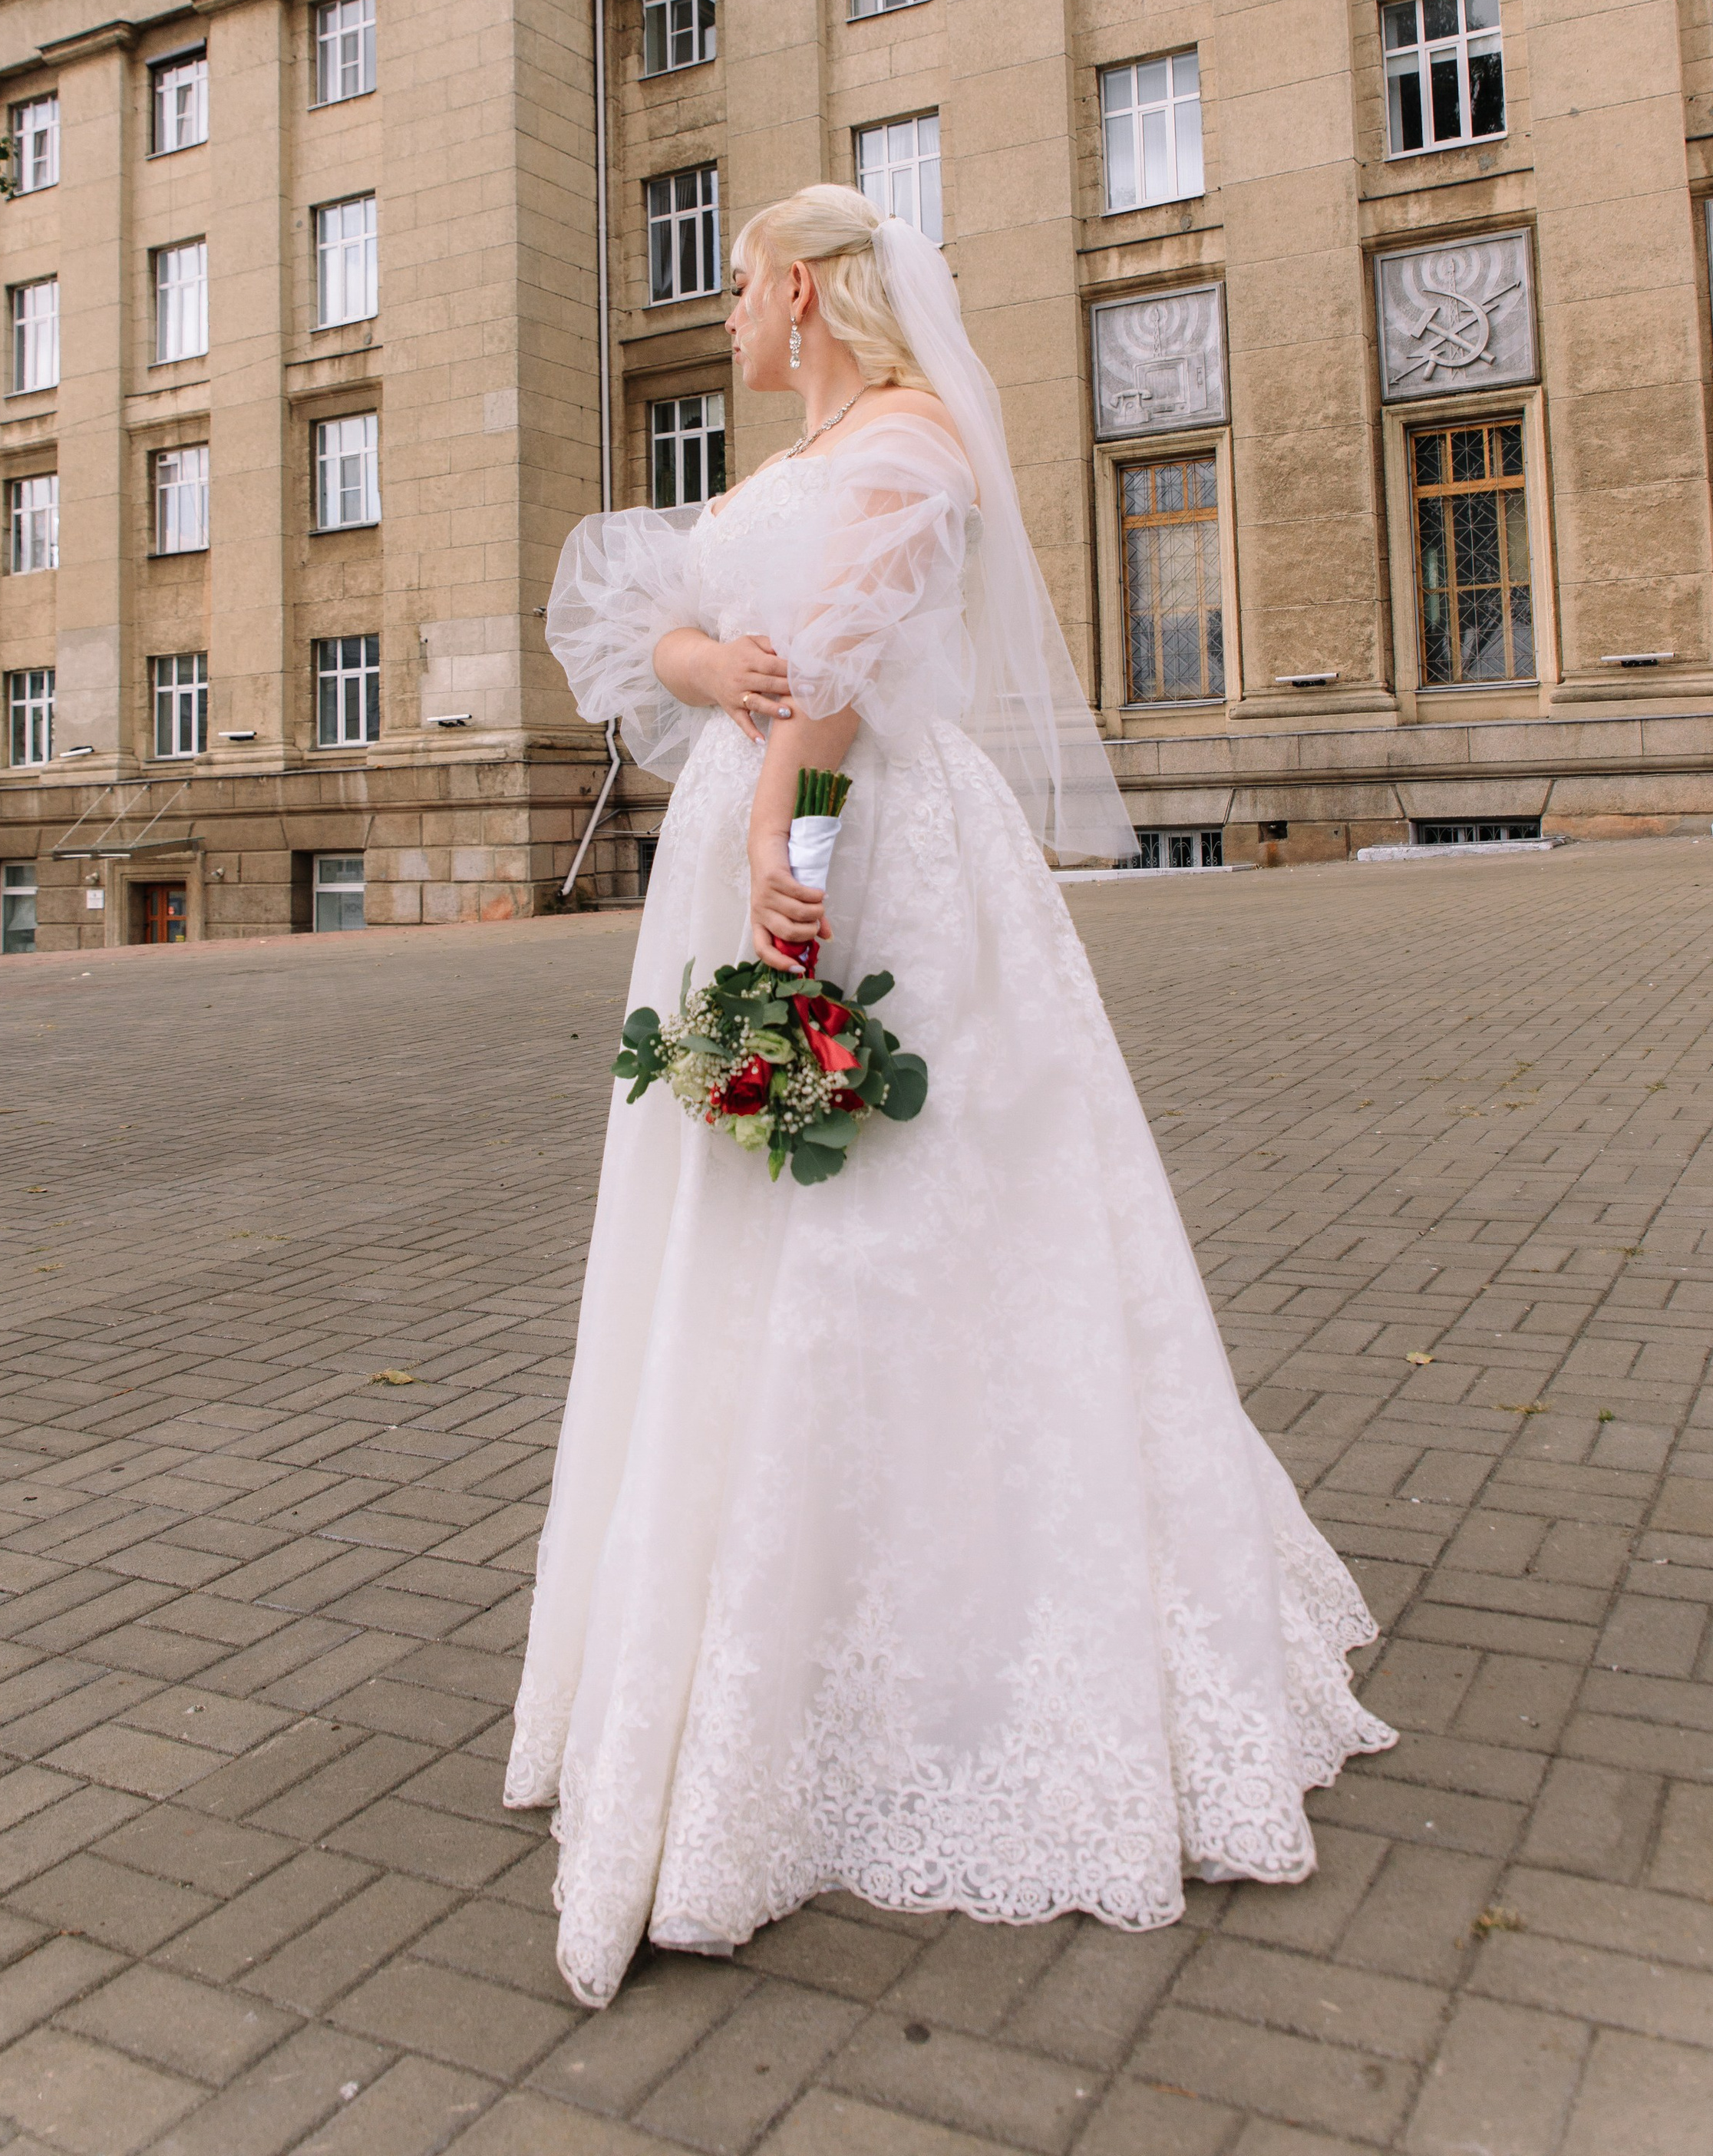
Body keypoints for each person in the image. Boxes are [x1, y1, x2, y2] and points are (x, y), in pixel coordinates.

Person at [503, 185, 1394, 2009]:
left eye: (744, 285)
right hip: (735, 873)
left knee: (911, 1222)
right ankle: (742, 1622)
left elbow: (830, 693)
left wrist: (780, 848)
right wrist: (707, 676)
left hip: (868, 869)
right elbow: (652, 636)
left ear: (817, 293)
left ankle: (949, 1650)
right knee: (743, 1229)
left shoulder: (913, 453)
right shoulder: (772, 472)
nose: (725, 315)